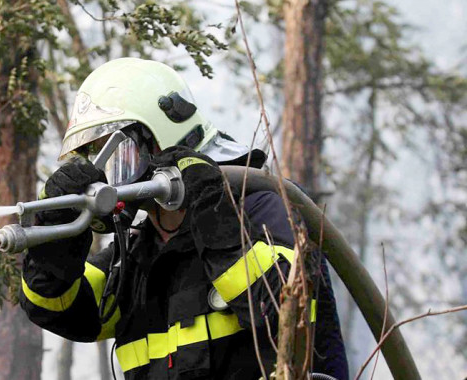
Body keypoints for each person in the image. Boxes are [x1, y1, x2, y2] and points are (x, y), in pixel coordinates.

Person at [19, 58, 348, 379]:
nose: (107, 175)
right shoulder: (136, 259)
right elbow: (56, 308)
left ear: (161, 140)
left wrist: (213, 215)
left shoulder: (265, 210)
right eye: (97, 158)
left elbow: (284, 311)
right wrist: (55, 239)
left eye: (116, 154)